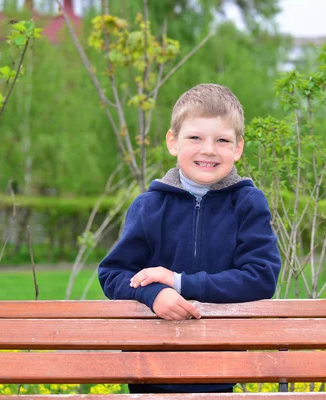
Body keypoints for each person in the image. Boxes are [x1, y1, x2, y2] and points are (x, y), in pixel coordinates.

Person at [98, 83, 282, 394]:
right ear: (173, 142)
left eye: (222, 140)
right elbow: (113, 274)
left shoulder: (248, 204)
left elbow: (261, 278)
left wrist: (180, 282)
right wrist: (154, 294)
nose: (208, 150)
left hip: (220, 370)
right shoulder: (149, 206)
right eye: (195, 137)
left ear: (238, 148)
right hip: (150, 370)